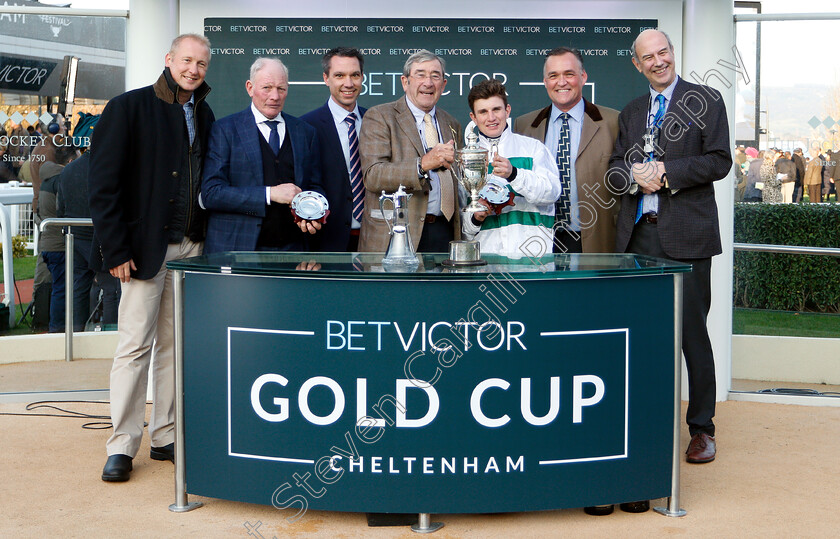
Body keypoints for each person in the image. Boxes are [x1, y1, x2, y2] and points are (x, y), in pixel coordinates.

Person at [608, 30, 732, 503]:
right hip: (638, 237)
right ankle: (644, 428)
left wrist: (666, 173)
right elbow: (616, 169)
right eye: (649, 57)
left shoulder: (705, 100)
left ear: (673, 55)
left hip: (687, 238)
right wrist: (632, 177)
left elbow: (719, 160)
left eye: (664, 52)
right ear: (637, 65)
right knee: (639, 338)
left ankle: (702, 429)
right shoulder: (634, 110)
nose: (658, 61)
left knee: (690, 335)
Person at [88, 33, 215, 482]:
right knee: (134, 346)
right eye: (186, 60)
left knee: (174, 348)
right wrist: (116, 250)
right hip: (143, 251)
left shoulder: (204, 111)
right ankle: (121, 444)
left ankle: (166, 436)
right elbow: (102, 188)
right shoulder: (128, 108)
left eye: (201, 63)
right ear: (169, 59)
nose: (193, 70)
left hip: (190, 247)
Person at [201, 58, 324, 253]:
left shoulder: (305, 132)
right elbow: (212, 194)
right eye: (267, 87)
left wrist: (313, 213)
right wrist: (270, 194)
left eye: (281, 89)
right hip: (238, 250)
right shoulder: (224, 130)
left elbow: (315, 186)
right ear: (250, 88)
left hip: (294, 251)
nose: (275, 96)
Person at [514, 47, 620, 253]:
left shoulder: (613, 122)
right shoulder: (524, 126)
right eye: (553, 76)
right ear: (545, 82)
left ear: (583, 77)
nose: (561, 82)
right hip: (539, 241)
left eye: (569, 74)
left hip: (596, 239)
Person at [358, 49, 462, 253]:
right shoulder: (380, 116)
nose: (428, 82)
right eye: (421, 74)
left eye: (435, 76)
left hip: (445, 231)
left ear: (444, 84)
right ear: (405, 82)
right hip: (397, 232)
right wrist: (422, 165)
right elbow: (373, 175)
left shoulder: (452, 123)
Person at [461, 79, 560, 256]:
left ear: (507, 110)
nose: (491, 118)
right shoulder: (467, 159)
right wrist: (475, 218)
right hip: (486, 263)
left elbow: (552, 193)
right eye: (483, 112)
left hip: (532, 260)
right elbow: (464, 229)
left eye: (496, 109)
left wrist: (514, 174)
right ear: (473, 118)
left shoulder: (533, 148)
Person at [57, 115, 122, 332]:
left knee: (78, 288)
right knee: (111, 288)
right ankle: (109, 334)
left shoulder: (68, 170)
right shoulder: (108, 170)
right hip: (99, 236)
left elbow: (61, 209)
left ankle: (75, 335)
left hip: (74, 237)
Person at [301, 47, 367, 252]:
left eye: (355, 75)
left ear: (362, 78)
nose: (348, 83)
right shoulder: (305, 126)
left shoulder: (376, 121)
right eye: (339, 75)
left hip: (374, 240)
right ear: (326, 78)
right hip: (326, 243)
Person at [36, 146, 79, 333]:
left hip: (48, 243)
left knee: (59, 287)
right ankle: (57, 329)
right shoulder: (61, 181)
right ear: (70, 162)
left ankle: (55, 327)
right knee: (61, 289)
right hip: (58, 245)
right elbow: (65, 210)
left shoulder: (46, 180)